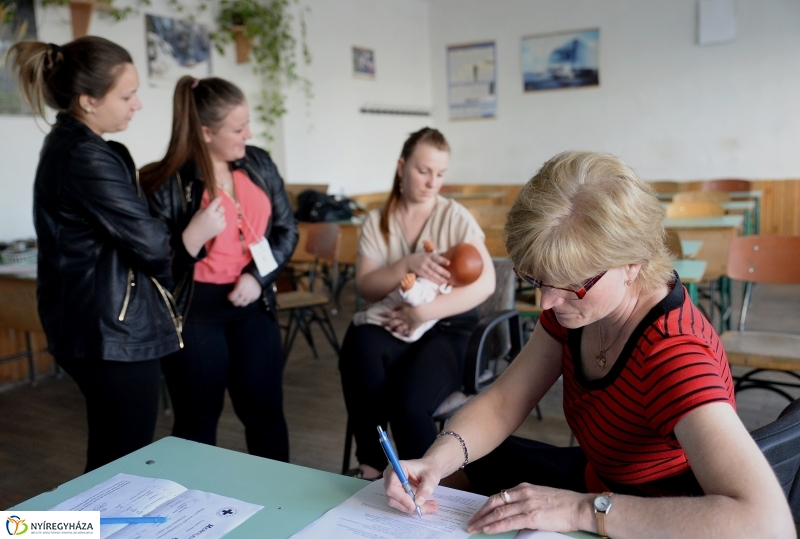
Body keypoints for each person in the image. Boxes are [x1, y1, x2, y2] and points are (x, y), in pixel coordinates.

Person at [383, 150, 796, 538]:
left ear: (633, 262)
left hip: (657, 515)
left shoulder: (674, 353)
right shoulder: (578, 305)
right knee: (462, 470)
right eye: (537, 280)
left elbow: (767, 523)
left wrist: (581, 510)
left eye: (571, 286)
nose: (546, 302)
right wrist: (434, 462)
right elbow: (505, 402)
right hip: (600, 479)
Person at [6, 37, 191, 472]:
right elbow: (151, 245)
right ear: (87, 100)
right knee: (119, 463)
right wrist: (174, 235)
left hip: (103, 325)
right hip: (108, 331)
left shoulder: (81, 148)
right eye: (126, 95)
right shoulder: (83, 155)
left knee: (115, 458)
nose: (137, 105)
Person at [140, 76, 298, 462]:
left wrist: (258, 279)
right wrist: (190, 239)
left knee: (266, 416)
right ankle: (190, 514)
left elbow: (285, 229)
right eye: (238, 127)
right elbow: (154, 267)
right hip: (195, 316)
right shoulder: (166, 182)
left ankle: (280, 504)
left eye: (248, 123)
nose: (249, 133)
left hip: (253, 307)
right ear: (206, 132)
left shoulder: (258, 163)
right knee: (197, 422)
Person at [339, 127, 495, 480]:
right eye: (423, 171)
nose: (431, 182)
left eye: (440, 174)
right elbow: (367, 287)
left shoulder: (454, 216)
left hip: (445, 326)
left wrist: (421, 312)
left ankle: (427, 483)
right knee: (360, 345)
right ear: (401, 167)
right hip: (397, 319)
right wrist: (406, 265)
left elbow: (486, 282)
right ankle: (372, 464)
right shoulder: (378, 221)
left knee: (408, 402)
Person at [352, 240, 484, 342]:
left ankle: (363, 319)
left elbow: (419, 298)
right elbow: (431, 260)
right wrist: (430, 251)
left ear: (450, 277)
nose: (441, 255)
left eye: (445, 255)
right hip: (399, 306)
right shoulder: (439, 266)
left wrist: (410, 288)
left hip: (401, 320)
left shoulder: (434, 286)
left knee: (379, 315)